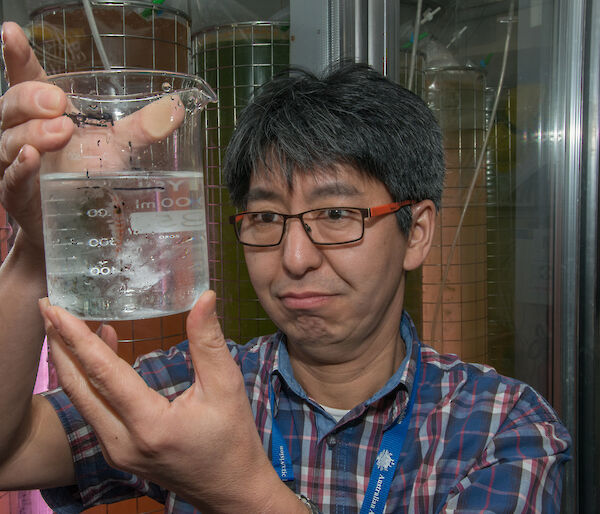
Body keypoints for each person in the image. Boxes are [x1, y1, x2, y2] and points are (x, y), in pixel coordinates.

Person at [0, 21, 570, 513]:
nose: (294, 259)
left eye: (337, 214)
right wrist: (36, 245)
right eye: (267, 218)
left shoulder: (501, 427)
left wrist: (237, 491)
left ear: (416, 233)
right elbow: (10, 451)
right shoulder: (197, 389)